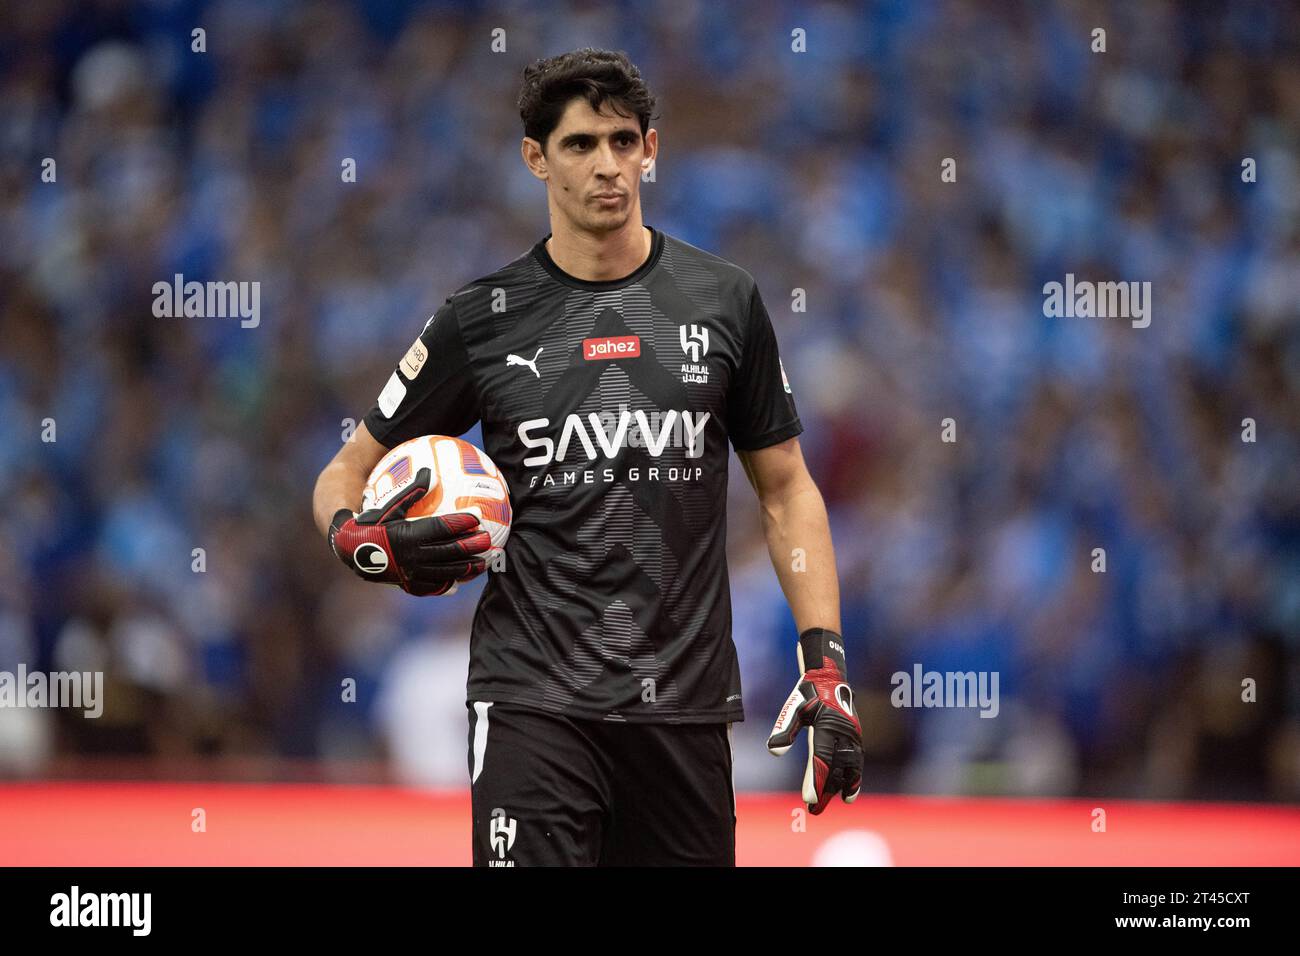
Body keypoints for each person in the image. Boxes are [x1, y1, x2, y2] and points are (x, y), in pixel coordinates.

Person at [311, 48, 862, 866]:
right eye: (579, 145)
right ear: (535, 158)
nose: (607, 165)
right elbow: (343, 474)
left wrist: (826, 669)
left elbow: (786, 492)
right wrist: (360, 541)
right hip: (534, 702)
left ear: (651, 148)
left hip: (684, 708)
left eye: (622, 140)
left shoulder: (725, 303)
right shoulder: (483, 319)